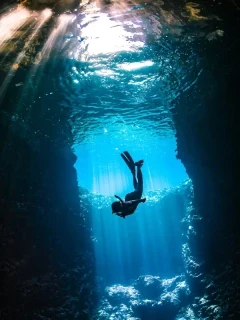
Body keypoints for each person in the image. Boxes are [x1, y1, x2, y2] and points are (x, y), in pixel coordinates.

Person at [112, 151, 146, 218]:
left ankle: (138, 166)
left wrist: (141, 200)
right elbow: (127, 203)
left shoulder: (123, 209)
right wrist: (118, 198)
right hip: (130, 197)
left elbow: (133, 202)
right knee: (137, 186)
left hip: (133, 197)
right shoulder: (123, 211)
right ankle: (133, 171)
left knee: (140, 184)